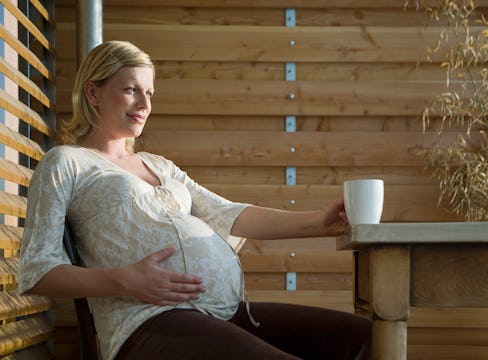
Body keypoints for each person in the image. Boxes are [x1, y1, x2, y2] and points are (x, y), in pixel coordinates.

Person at [18, 40, 371, 360]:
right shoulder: (66, 162)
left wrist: (318, 222)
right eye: (130, 90)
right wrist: (124, 279)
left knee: (366, 338)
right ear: (93, 93)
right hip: (146, 322)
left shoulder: (159, 165)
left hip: (224, 312)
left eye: (150, 92)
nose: (144, 104)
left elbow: (229, 214)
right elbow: (39, 269)